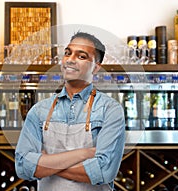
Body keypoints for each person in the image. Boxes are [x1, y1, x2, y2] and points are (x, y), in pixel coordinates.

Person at [15, 31, 125, 191]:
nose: (71, 60)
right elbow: (23, 166)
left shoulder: (110, 110)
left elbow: (103, 171)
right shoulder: (39, 110)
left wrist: (45, 163)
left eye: (81, 56)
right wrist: (85, 154)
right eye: (67, 53)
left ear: (96, 67)